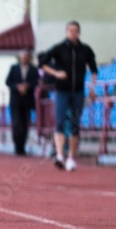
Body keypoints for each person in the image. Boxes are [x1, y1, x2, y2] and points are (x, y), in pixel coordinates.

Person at [39, 20, 98, 171]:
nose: (73, 33)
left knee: (75, 125)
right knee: (59, 122)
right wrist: (56, 73)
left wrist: (92, 87)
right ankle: (59, 155)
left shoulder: (85, 50)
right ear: (66, 32)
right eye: (70, 30)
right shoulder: (58, 48)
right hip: (61, 91)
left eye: (75, 30)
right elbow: (42, 62)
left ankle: (71, 158)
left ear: (79, 32)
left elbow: (94, 69)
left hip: (78, 91)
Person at [5, 50, 40, 155]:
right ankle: (17, 146)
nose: (24, 58)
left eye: (26, 56)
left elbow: (37, 81)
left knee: (25, 124)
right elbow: (7, 81)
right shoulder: (14, 68)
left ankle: (23, 147)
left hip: (27, 101)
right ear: (20, 58)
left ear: (29, 58)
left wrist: (27, 86)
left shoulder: (34, 69)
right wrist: (17, 87)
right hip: (15, 101)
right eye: (23, 56)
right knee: (16, 123)